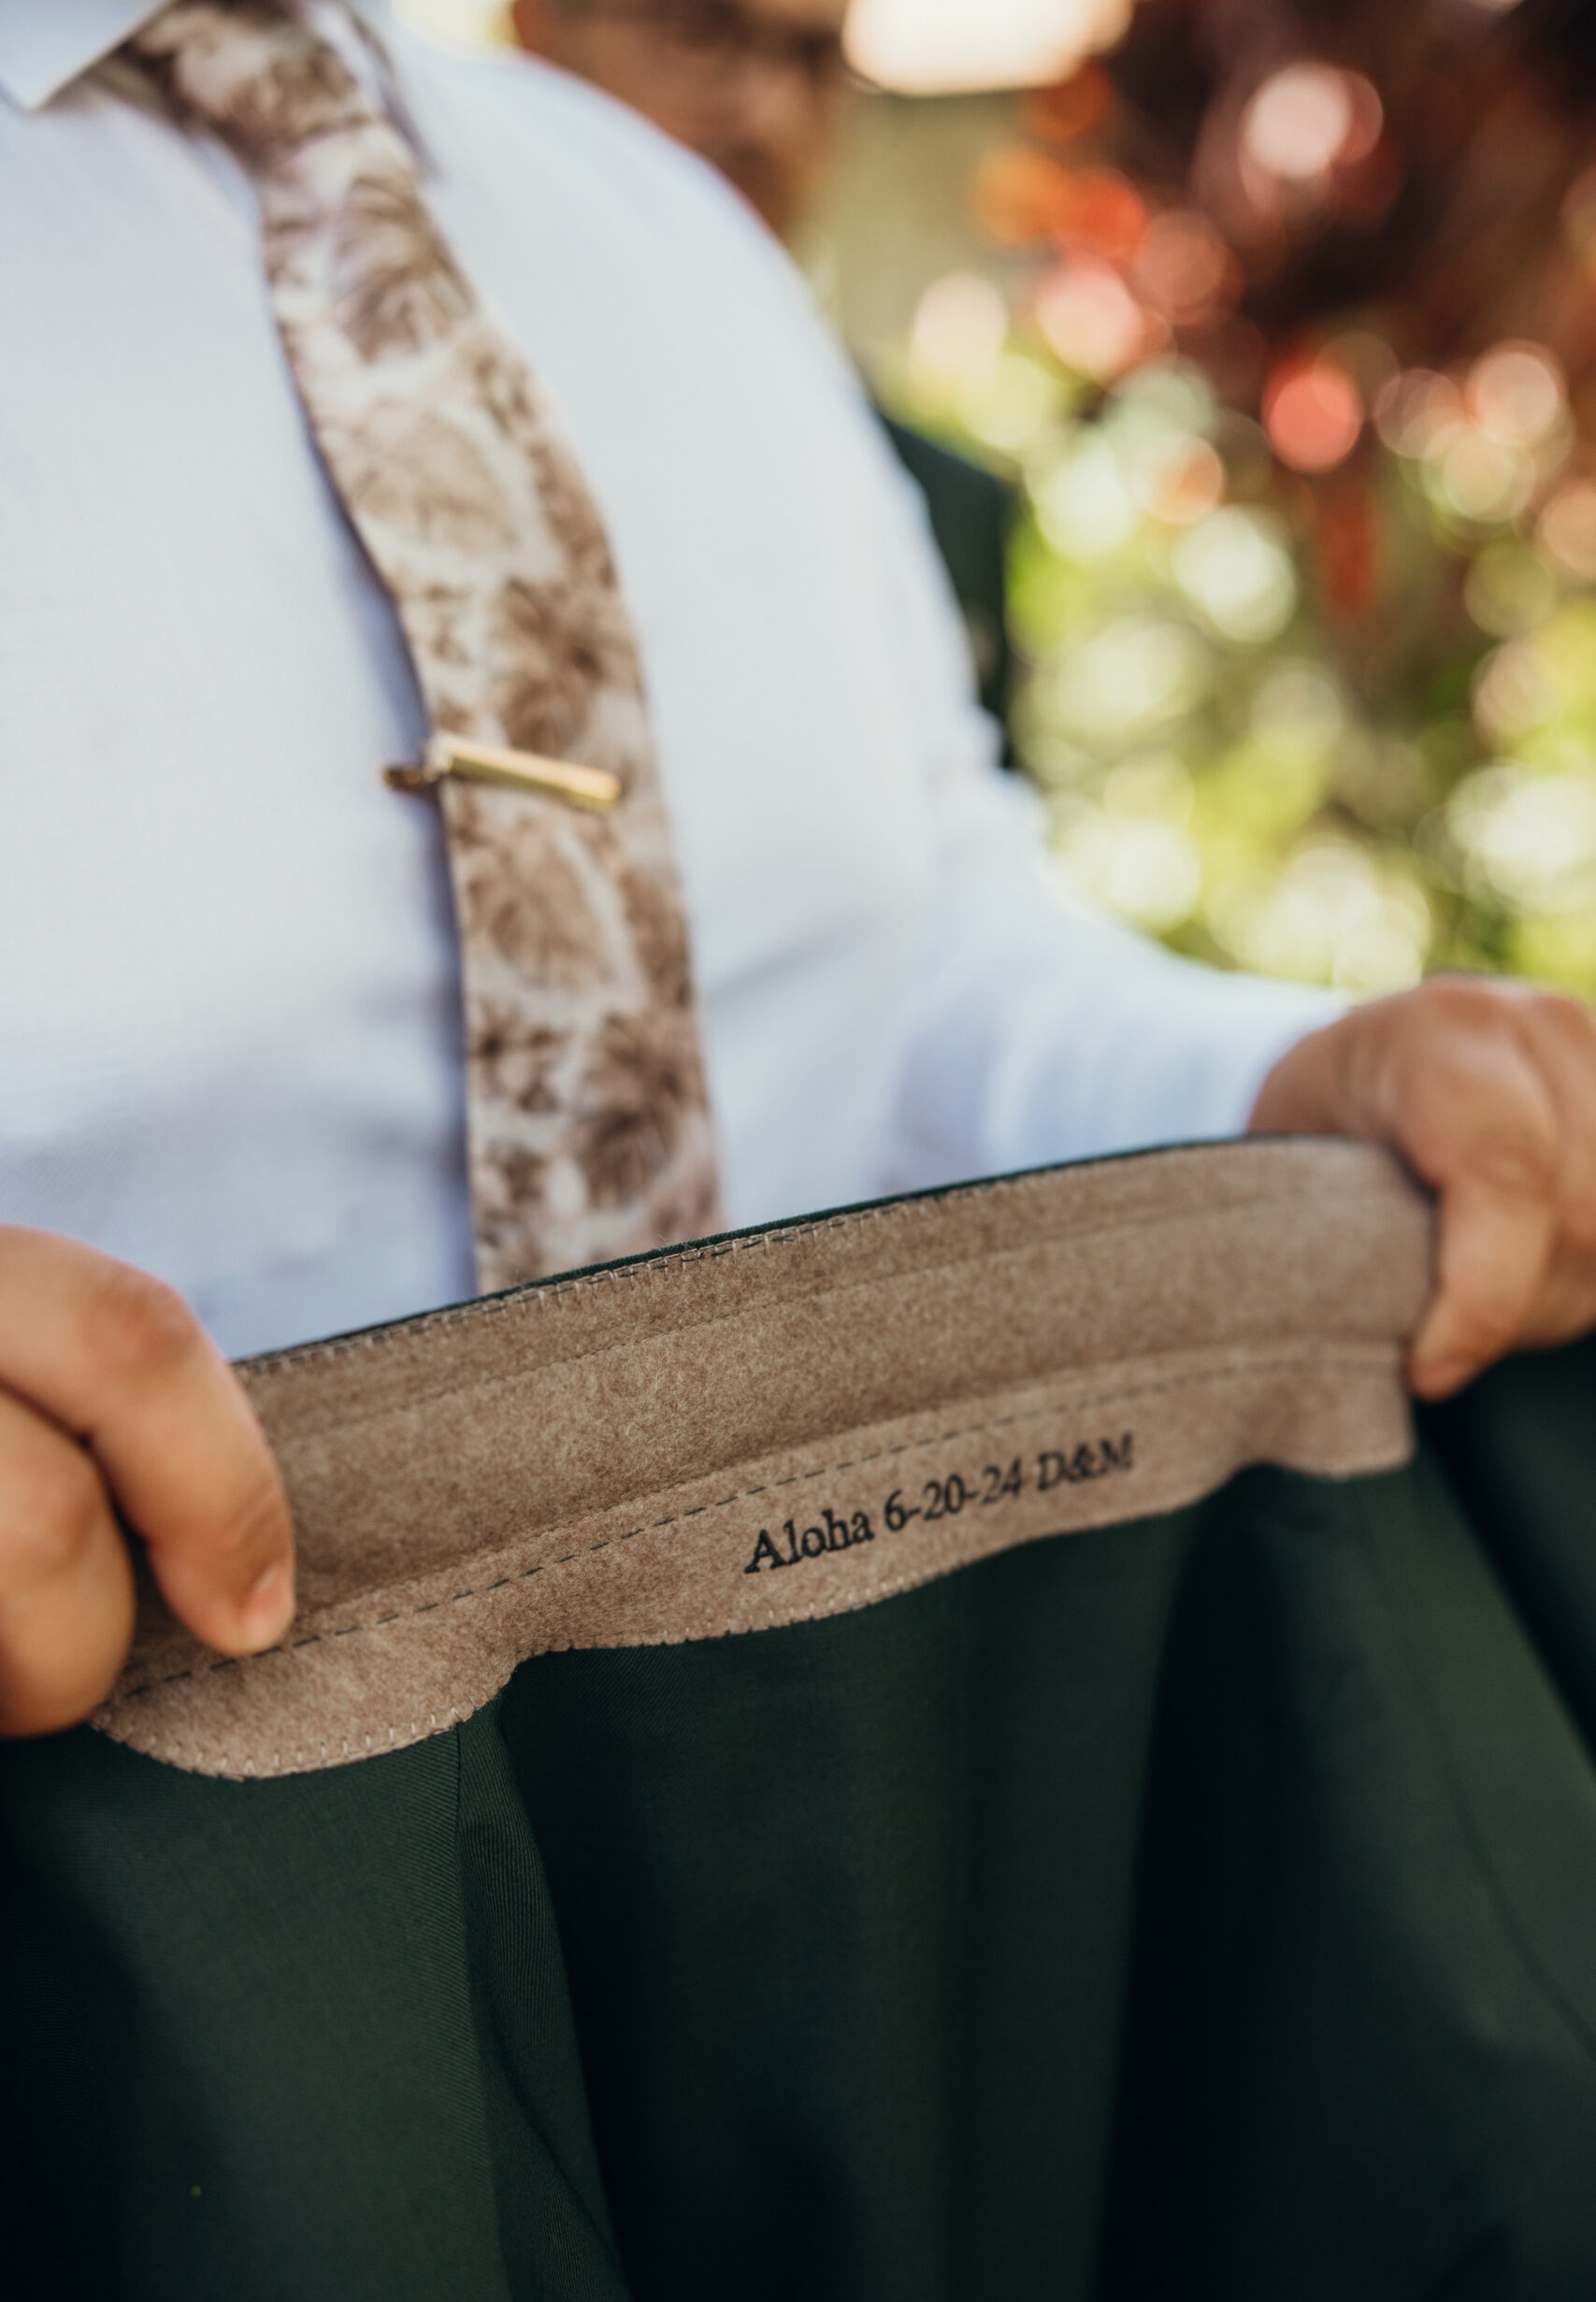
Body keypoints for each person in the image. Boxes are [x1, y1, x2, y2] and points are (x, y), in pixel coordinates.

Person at [4, 0, 1596, 1749]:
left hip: (826, 1823)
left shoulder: (657, 236)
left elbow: (912, 966)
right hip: (176, 1918)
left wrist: (1280, 1080)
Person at [509, 0, 1019, 740]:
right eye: (701, 36)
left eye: (815, 61)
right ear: (536, 25)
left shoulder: (937, 509)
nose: (770, 117)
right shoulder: (363, 428)